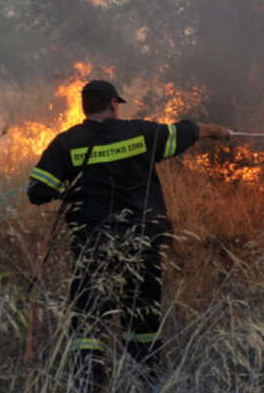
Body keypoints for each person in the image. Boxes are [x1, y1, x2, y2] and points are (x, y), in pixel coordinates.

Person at [27, 79, 231, 392]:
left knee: (87, 315)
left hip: (93, 243)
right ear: (113, 104)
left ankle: (88, 382)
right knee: (142, 311)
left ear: (85, 107)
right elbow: (185, 131)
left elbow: (38, 191)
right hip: (143, 242)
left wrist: (67, 187)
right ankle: (149, 378)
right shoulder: (140, 133)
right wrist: (216, 130)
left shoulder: (66, 143)